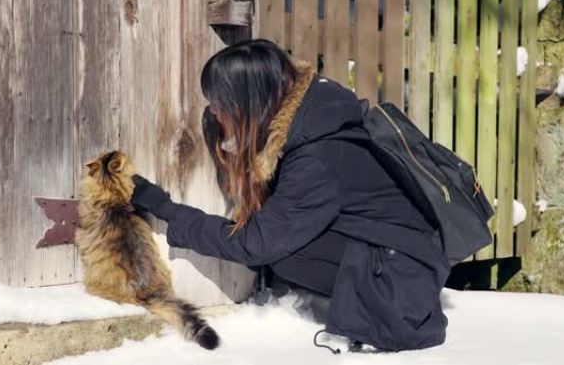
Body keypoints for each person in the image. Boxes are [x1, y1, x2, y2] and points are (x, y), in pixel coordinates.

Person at [130, 39, 448, 352]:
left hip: (401, 281)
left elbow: (256, 244)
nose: (213, 113)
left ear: (249, 102)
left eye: (218, 103)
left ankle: (369, 307)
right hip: (403, 254)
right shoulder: (311, 115)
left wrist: (166, 209)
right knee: (282, 239)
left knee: (285, 255)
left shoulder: (317, 156)